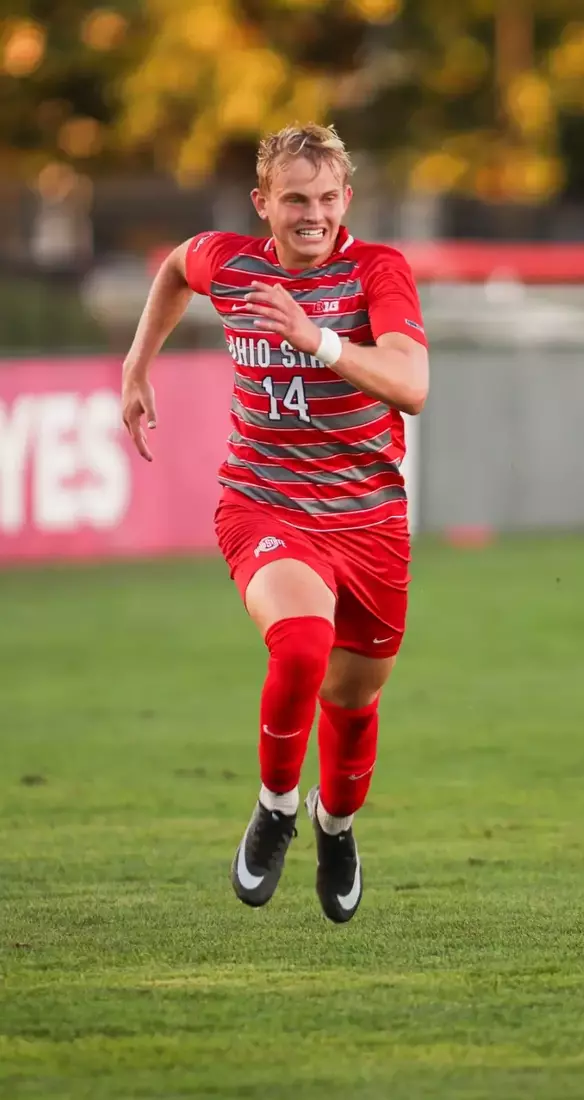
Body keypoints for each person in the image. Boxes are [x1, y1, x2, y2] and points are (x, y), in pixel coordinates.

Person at [119, 123, 429, 923]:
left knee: (354, 705)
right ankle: (276, 809)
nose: (312, 215)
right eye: (295, 199)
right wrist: (137, 362)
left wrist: (316, 337)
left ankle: (336, 825)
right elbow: (175, 267)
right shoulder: (235, 263)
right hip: (265, 501)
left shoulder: (377, 272)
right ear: (264, 203)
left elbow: (411, 385)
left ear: (347, 201)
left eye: (327, 199)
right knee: (300, 644)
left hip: (369, 521)